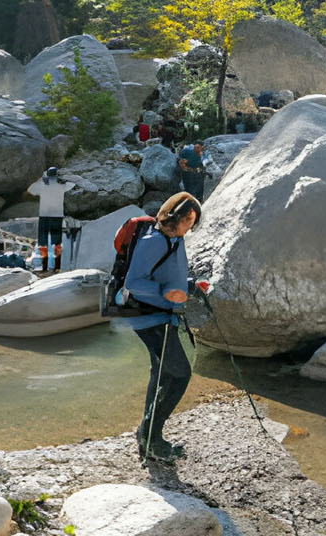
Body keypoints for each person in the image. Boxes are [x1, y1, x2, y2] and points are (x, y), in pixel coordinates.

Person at [121, 193, 204, 461]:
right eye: (189, 220)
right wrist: (167, 293)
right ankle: (151, 437)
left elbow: (169, 273)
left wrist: (189, 286)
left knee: (161, 373)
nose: (191, 225)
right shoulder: (153, 241)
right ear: (175, 216)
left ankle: (146, 436)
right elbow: (134, 282)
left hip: (160, 315)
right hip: (148, 317)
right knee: (179, 375)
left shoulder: (173, 239)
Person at [26, 167, 93, 272]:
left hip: (44, 216)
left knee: (43, 242)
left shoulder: (42, 185)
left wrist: (41, 180)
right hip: (57, 216)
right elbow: (75, 183)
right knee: (56, 242)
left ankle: (44, 266)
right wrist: (65, 177)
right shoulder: (62, 186)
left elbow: (30, 189)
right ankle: (57, 267)